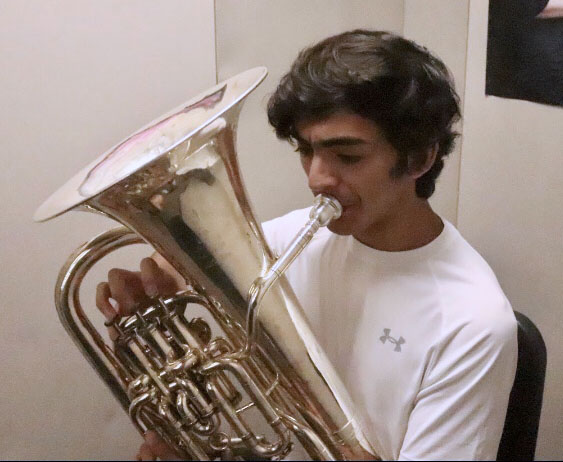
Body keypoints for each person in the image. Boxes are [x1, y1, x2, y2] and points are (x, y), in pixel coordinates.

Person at [97, 30, 518, 461]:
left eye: (348, 156)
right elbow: (177, 274)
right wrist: (152, 302)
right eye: (305, 150)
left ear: (419, 159)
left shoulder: (472, 324)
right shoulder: (299, 236)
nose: (316, 179)